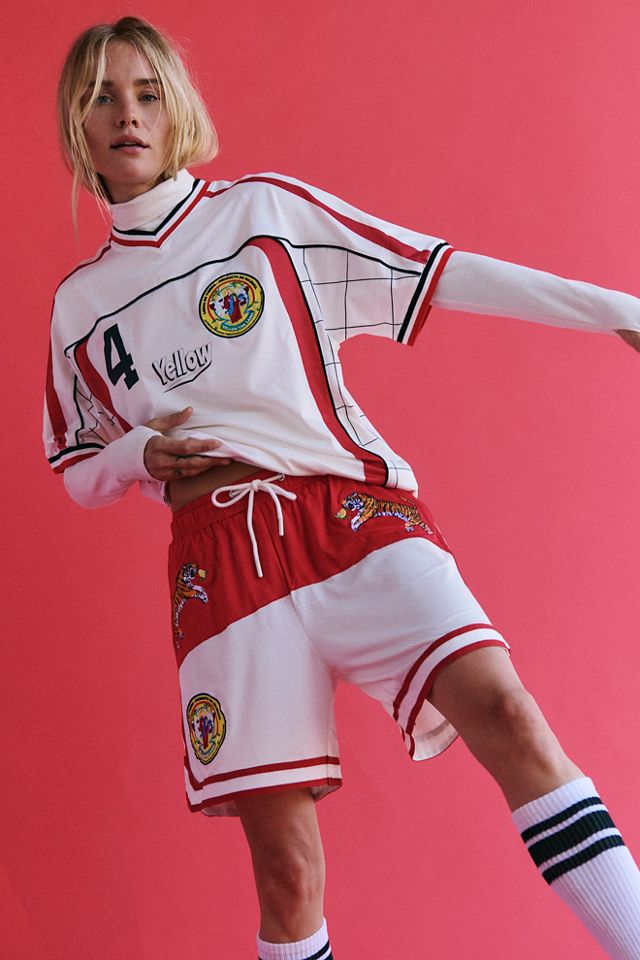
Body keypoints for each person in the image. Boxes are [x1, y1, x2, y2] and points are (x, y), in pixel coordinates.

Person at [44, 16, 640, 960]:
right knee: (287, 875)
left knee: (511, 717)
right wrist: (137, 458)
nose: (128, 115)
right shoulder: (78, 307)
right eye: (102, 98)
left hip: (348, 517)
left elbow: (433, 266)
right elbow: (78, 466)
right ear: (77, 123)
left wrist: (615, 310)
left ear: (176, 108)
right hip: (220, 572)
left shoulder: (264, 213)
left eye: (147, 93)